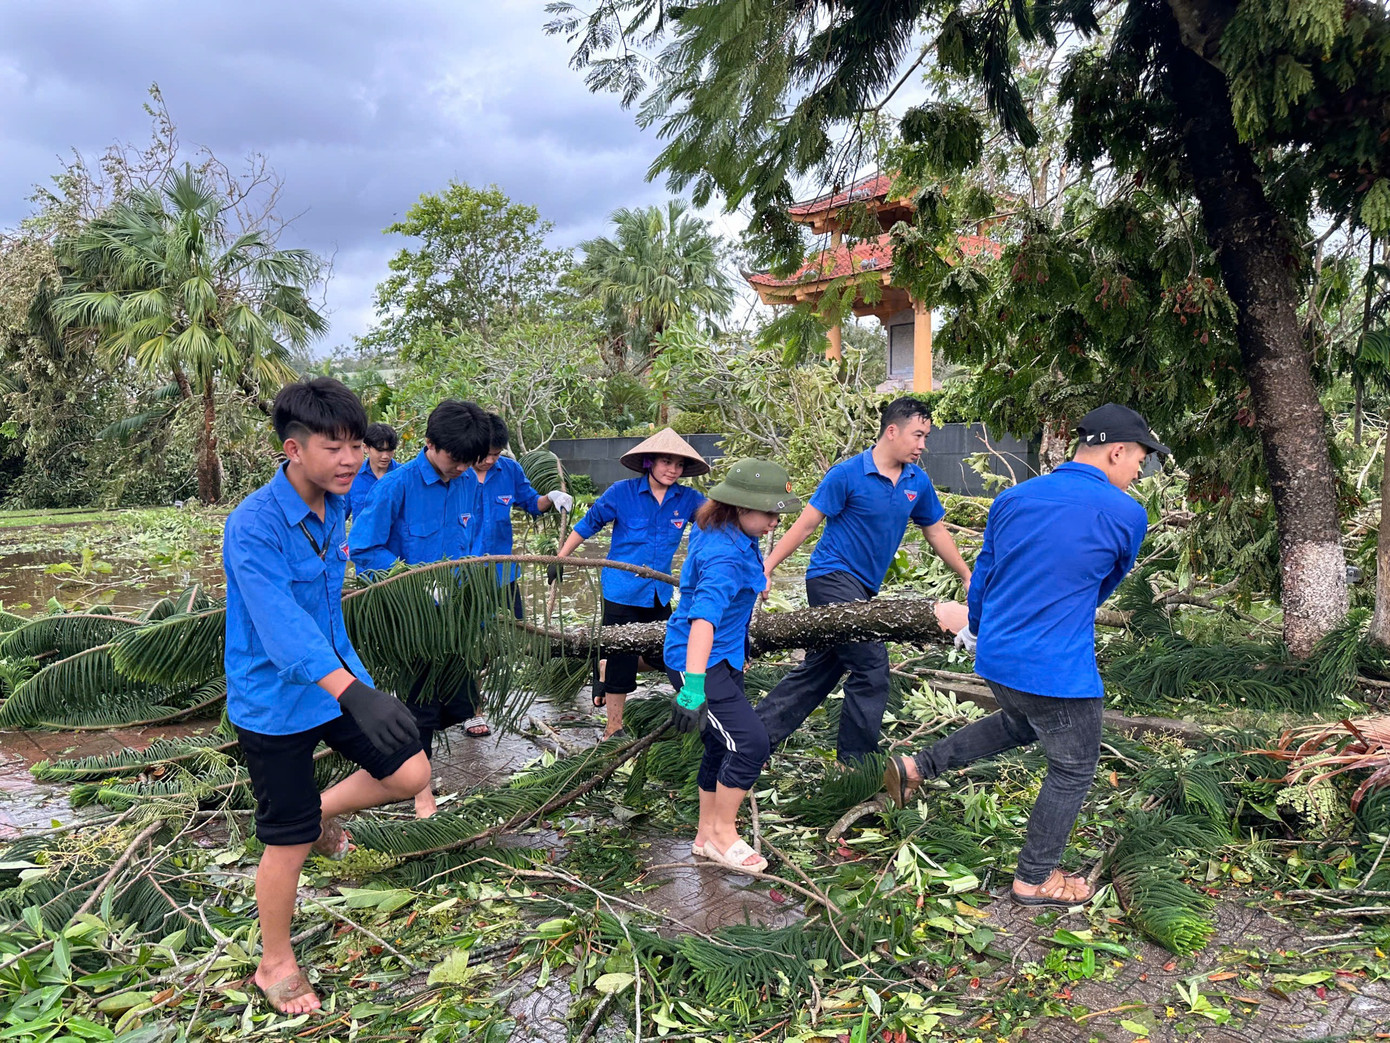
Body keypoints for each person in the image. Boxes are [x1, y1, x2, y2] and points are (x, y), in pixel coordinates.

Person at [882, 403, 1165, 908]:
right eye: (1140, 457)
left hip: (997, 655)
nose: (1141, 469)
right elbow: (1102, 586)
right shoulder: (1127, 513)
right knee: (1074, 768)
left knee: (1020, 723)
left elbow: (983, 577)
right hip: (1056, 667)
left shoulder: (1014, 497)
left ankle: (917, 767)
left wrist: (980, 629)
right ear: (1117, 450)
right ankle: (1034, 878)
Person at [224, 377, 428, 1015]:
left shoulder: (337, 508)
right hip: (272, 701)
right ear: (292, 448)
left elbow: (328, 615)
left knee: (411, 771)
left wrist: (362, 686)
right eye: (334, 446)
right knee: (284, 839)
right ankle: (274, 961)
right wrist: (353, 692)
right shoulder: (252, 526)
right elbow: (280, 626)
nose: (350, 459)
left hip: (332, 685)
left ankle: (318, 815)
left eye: (356, 444)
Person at [755, 397, 972, 764]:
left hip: (862, 589)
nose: (923, 445)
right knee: (871, 666)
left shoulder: (916, 481)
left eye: (926, 437)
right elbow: (807, 524)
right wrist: (767, 567)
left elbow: (935, 532)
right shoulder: (847, 474)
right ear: (892, 431)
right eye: (917, 435)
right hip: (830, 577)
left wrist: (967, 575)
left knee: (824, 666)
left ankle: (753, 735)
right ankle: (857, 763)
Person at [347, 399, 494, 818]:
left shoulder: (468, 484)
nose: (462, 468)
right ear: (430, 444)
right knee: (420, 706)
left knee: (458, 701)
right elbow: (363, 547)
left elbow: (473, 545)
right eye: (455, 459)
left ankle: (408, 768)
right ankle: (420, 793)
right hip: (410, 616)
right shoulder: (396, 487)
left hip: (454, 614)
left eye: (470, 461)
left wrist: (474, 599)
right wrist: (410, 576)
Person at [665, 459, 800, 876]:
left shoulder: (729, 530)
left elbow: (743, 569)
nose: (775, 522)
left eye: (779, 513)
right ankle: (725, 831)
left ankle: (706, 835)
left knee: (720, 745)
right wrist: (693, 688)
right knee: (752, 744)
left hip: (726, 655)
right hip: (701, 662)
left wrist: (757, 579)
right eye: (769, 513)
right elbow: (702, 621)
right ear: (740, 507)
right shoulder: (724, 555)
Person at [553, 428, 707, 738]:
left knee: (667, 651)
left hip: (659, 592)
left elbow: (714, 525)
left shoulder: (689, 499)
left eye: (679, 465)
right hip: (621, 590)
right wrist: (561, 560)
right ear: (650, 462)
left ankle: (604, 665)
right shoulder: (620, 493)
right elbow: (588, 525)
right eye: (666, 462)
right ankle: (614, 727)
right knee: (623, 658)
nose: (672, 470)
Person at [459, 413, 573, 619]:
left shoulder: (510, 470)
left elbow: (532, 502)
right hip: (463, 574)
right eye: (485, 454)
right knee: (468, 630)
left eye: (496, 454)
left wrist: (551, 497)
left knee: (514, 626)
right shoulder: (456, 472)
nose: (490, 460)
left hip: (502, 573)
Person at [348, 422, 400, 519]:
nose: (385, 456)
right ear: (366, 448)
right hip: (363, 534)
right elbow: (340, 517)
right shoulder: (353, 477)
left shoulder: (404, 476)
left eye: (390, 450)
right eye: (380, 450)